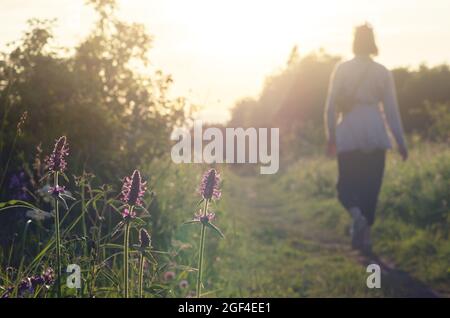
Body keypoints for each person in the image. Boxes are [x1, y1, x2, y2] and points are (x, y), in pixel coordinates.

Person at [324, 23, 408, 254]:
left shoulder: (342, 69)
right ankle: (366, 239)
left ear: (354, 41)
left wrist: (331, 136)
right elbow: (392, 111)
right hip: (374, 131)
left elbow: (330, 107)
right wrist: (401, 142)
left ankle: (357, 217)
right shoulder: (382, 72)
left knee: (345, 187)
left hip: (349, 132)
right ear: (373, 41)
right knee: (371, 188)